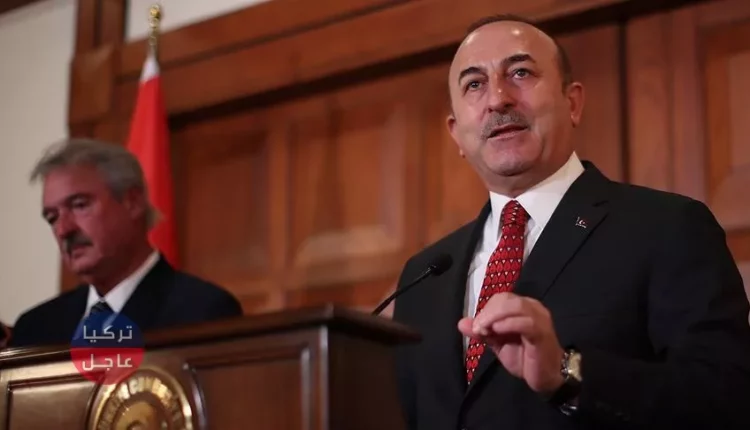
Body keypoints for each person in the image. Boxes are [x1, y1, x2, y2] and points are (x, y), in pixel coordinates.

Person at [391, 14, 750, 430]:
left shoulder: (669, 229)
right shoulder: (423, 276)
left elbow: (726, 402)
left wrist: (567, 372)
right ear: (456, 132)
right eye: (475, 84)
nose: (498, 99)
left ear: (573, 102)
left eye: (520, 73)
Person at [8, 138, 243, 348]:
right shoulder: (35, 329)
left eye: (80, 205)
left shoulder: (203, 312)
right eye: (52, 218)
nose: (63, 230)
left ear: (132, 202)